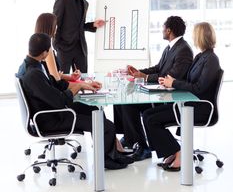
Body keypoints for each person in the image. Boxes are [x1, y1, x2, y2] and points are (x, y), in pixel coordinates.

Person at [17, 33, 134, 170]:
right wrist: (78, 86)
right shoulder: (34, 74)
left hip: (51, 111)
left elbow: (55, 86)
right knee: (106, 125)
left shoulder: (32, 66)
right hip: (52, 119)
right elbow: (60, 100)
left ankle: (110, 154)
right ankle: (106, 160)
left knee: (94, 110)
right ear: (44, 52)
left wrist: (82, 84)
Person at [142, 22, 221, 171]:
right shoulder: (201, 56)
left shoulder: (211, 60)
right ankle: (172, 151)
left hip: (199, 108)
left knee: (152, 120)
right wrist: (170, 83)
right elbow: (189, 81)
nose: (192, 37)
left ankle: (178, 152)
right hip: (189, 104)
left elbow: (198, 88)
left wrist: (174, 83)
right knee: (147, 114)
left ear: (200, 37)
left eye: (194, 35)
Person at [114, 16, 193, 161]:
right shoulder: (171, 47)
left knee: (129, 102)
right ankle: (132, 138)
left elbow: (171, 76)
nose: (162, 30)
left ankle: (143, 148)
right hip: (161, 92)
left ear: (169, 30)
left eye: (163, 28)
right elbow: (158, 68)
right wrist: (138, 72)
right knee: (122, 100)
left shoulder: (183, 50)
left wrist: (143, 77)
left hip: (169, 96)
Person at [53, 0, 105, 73]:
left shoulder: (85, 3)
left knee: (83, 79)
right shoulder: (62, 0)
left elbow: (80, 26)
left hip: (80, 49)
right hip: (64, 49)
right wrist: (57, 46)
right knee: (63, 81)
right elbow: (55, 25)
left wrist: (93, 25)